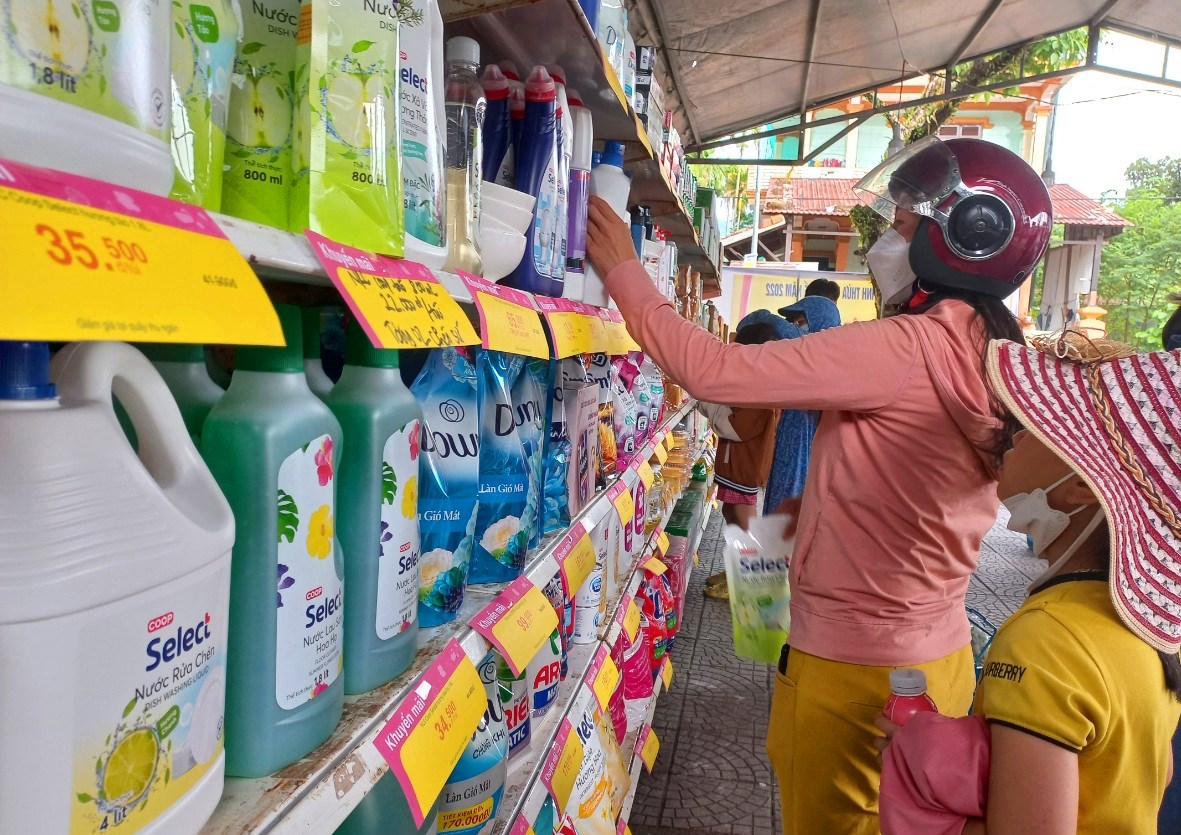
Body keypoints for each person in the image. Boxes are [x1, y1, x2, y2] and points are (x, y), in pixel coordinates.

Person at [586, 136, 1050, 833]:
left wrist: (626, 270)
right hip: (942, 656)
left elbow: (715, 370)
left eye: (901, 227)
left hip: (848, 665)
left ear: (960, 239)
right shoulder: (998, 356)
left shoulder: (903, 348)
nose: (884, 245)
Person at [876, 331, 1181, 834]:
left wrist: (918, 793)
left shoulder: (1046, 640)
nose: (1018, 433)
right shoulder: (1150, 623)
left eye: (1045, 425)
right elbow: (1154, 773)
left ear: (1081, 486)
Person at [704, 314, 788, 599]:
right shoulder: (757, 382)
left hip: (744, 466)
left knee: (743, 522)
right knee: (731, 514)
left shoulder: (760, 389)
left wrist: (706, 401)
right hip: (737, 465)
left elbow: (736, 427)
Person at [762, 296, 841, 515]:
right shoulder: (813, 356)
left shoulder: (822, 354)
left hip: (802, 449)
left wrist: (766, 317)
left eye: (800, 322)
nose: (796, 328)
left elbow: (791, 335)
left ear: (820, 322)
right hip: (792, 445)